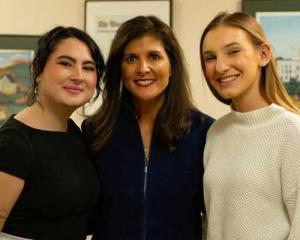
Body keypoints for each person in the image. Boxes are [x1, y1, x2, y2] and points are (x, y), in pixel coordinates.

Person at [82, 15, 214, 240]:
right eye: (131, 58)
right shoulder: (95, 130)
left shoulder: (204, 131)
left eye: (154, 56)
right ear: (120, 69)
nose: (143, 68)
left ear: (172, 66)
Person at [200, 11, 300, 240]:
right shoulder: (215, 132)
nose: (220, 66)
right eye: (210, 57)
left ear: (263, 55)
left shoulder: (292, 132)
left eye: (233, 52)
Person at [0, 26, 105, 239]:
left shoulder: (74, 132)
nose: (78, 76)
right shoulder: (14, 143)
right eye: (65, 63)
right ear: (38, 71)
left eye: (88, 67)